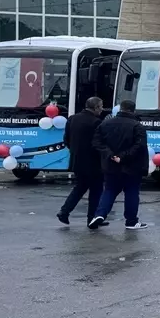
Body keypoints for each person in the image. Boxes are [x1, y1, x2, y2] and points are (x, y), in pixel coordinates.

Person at [89, 99, 150, 230]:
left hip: (110, 165)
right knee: (132, 192)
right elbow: (139, 146)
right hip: (132, 166)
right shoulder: (137, 126)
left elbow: (96, 143)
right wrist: (123, 157)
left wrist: (111, 155)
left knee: (109, 191)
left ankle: (99, 214)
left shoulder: (105, 124)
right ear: (133, 110)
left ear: (120, 109)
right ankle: (131, 222)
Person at [57, 97, 106, 226]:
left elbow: (66, 139)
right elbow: (98, 143)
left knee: (80, 187)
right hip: (93, 162)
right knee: (96, 191)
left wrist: (75, 151)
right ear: (95, 107)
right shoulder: (96, 122)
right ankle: (92, 218)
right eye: (101, 107)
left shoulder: (72, 119)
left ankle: (64, 212)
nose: (102, 109)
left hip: (76, 160)